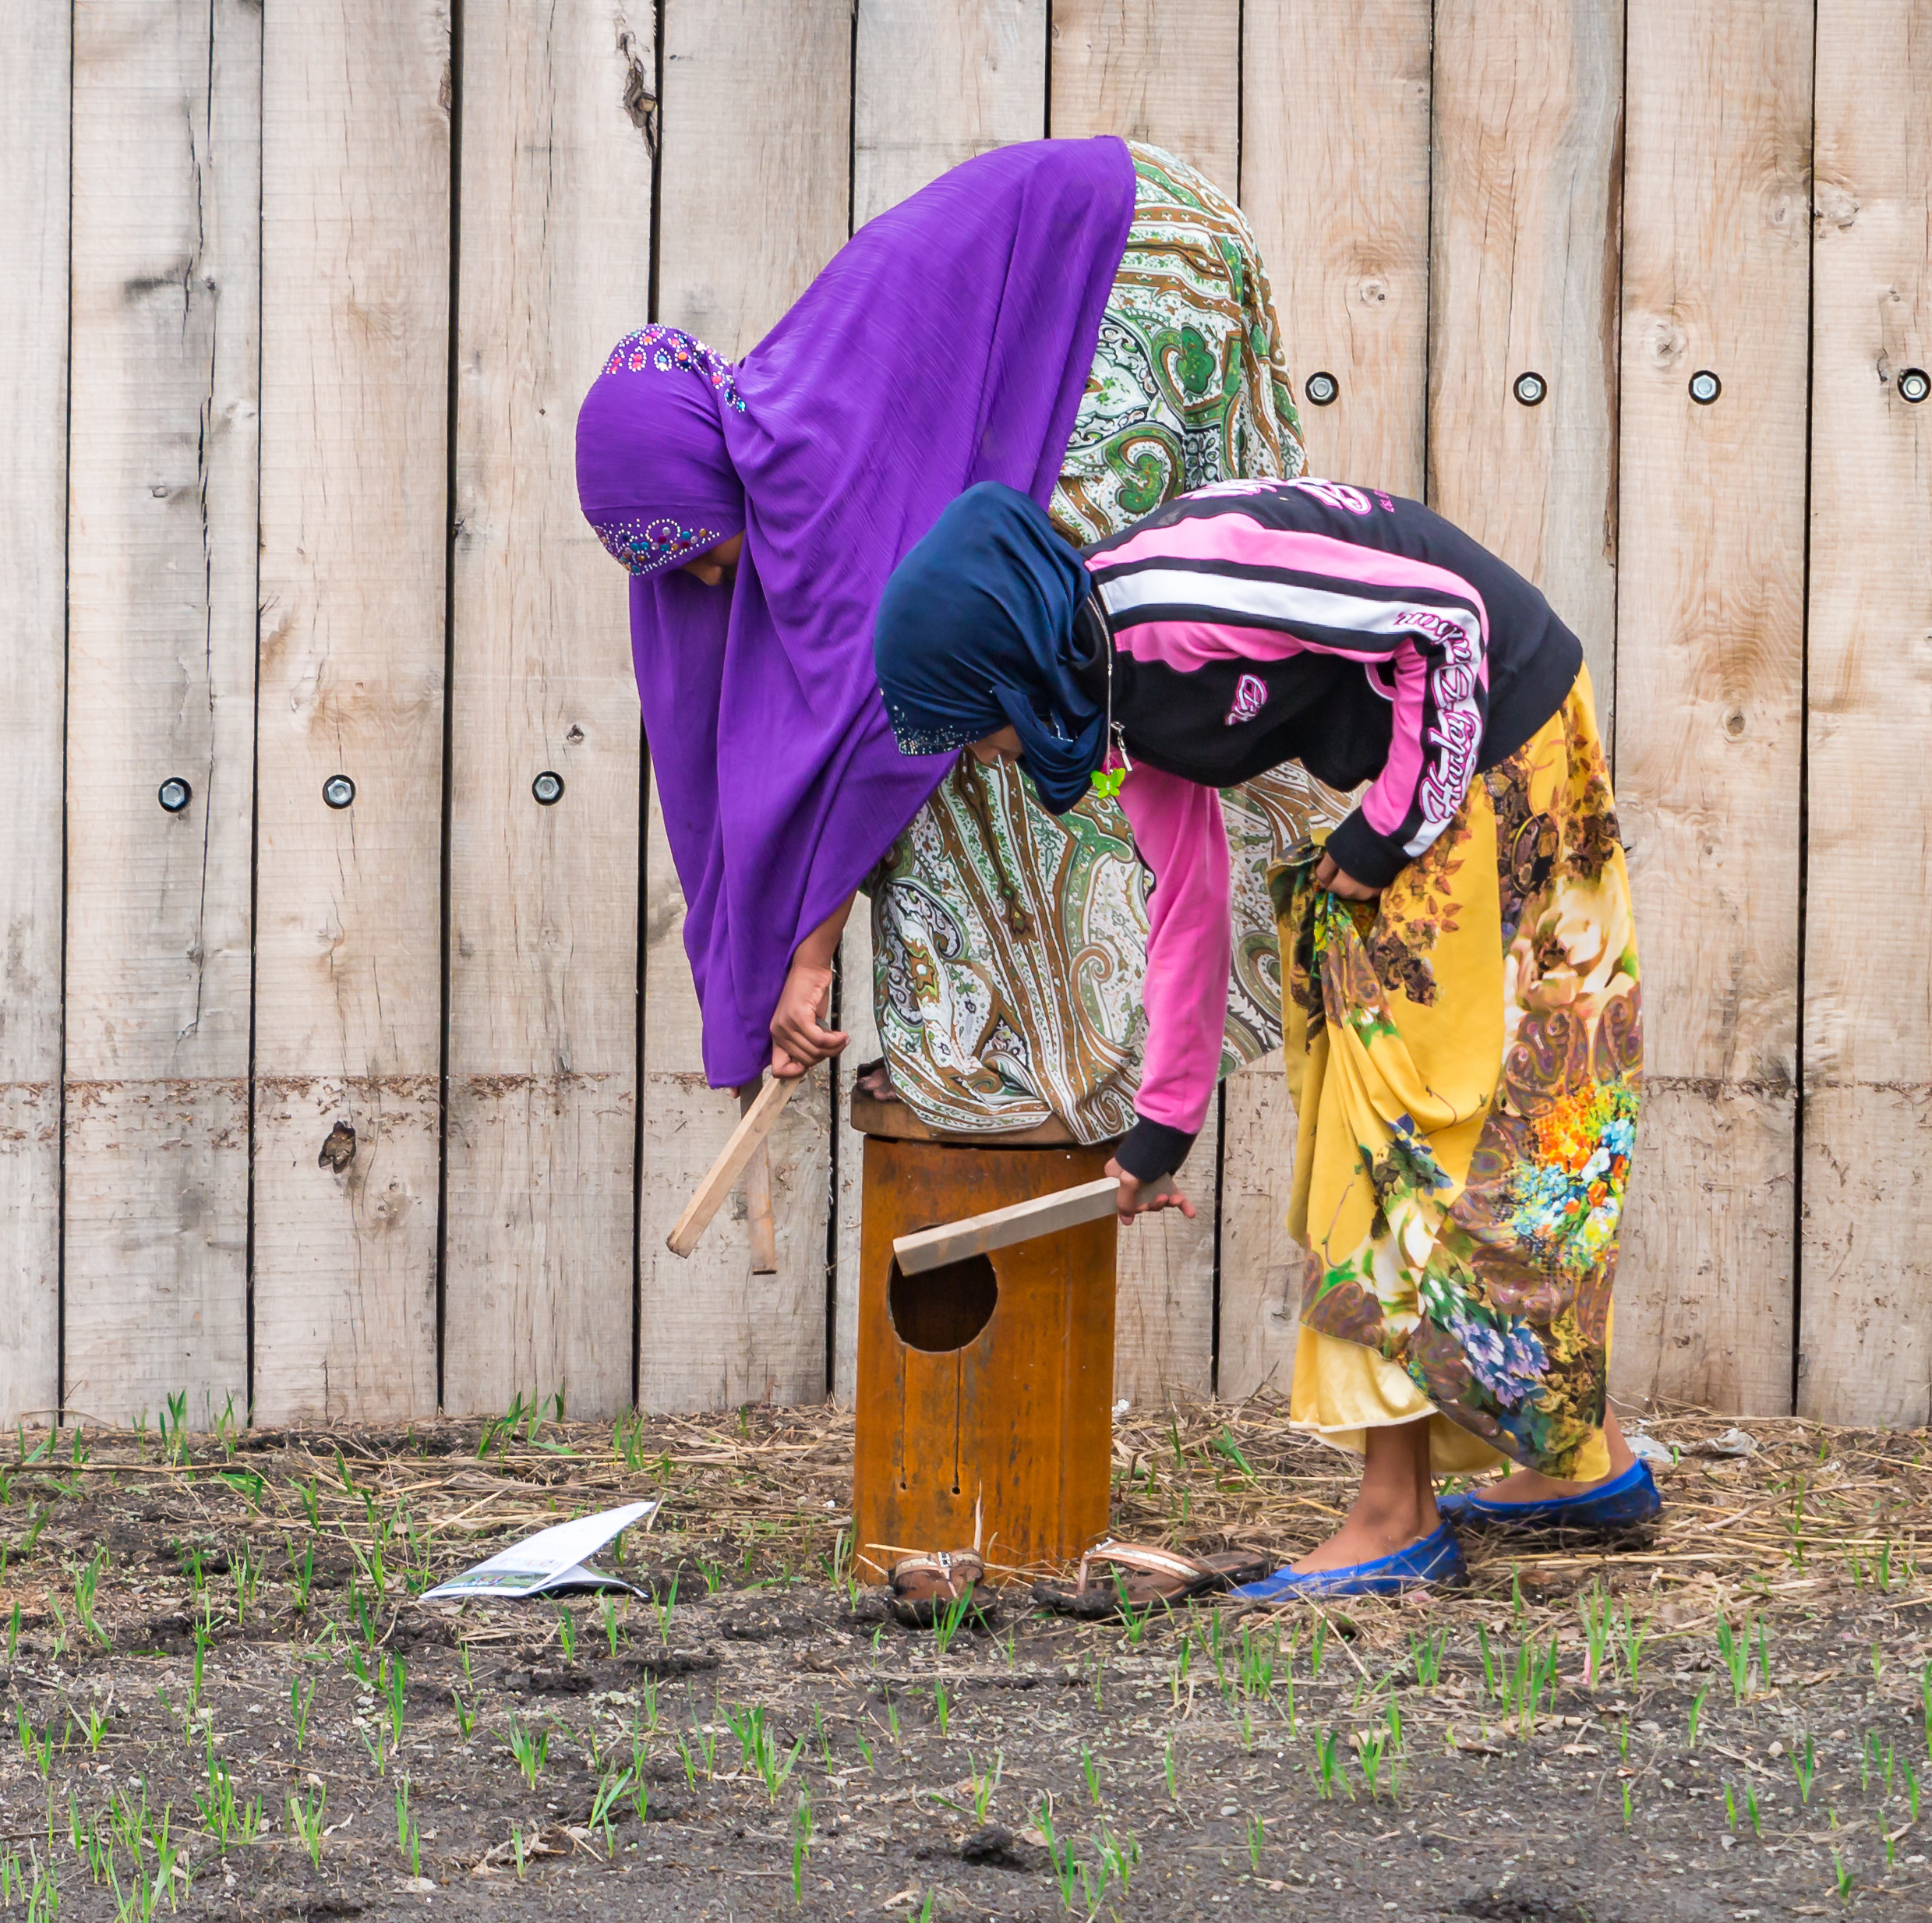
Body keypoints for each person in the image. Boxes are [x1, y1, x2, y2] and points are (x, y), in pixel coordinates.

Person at [872, 478, 1652, 1598]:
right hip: (1461, 756)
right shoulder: (1116, 697)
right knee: (1450, 1101)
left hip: (1493, 743)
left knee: (1396, 1122)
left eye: (977, 726)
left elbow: (1443, 622)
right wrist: (1160, 1130)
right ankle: (1584, 1461)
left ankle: (1394, 1514)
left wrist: (1388, 827)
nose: (989, 756)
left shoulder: (1174, 597)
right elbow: (1185, 903)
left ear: (1012, 666)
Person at [575, 136, 1340, 1141]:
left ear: (704, 477)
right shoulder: (778, 430)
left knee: (1002, 682)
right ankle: (1031, 1040)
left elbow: (880, 731)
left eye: (701, 556)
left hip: (1132, 275)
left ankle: (1040, 1052)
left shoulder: (807, 476)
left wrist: (807, 961)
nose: (711, 587)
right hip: (1145, 234)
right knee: (1002, 691)